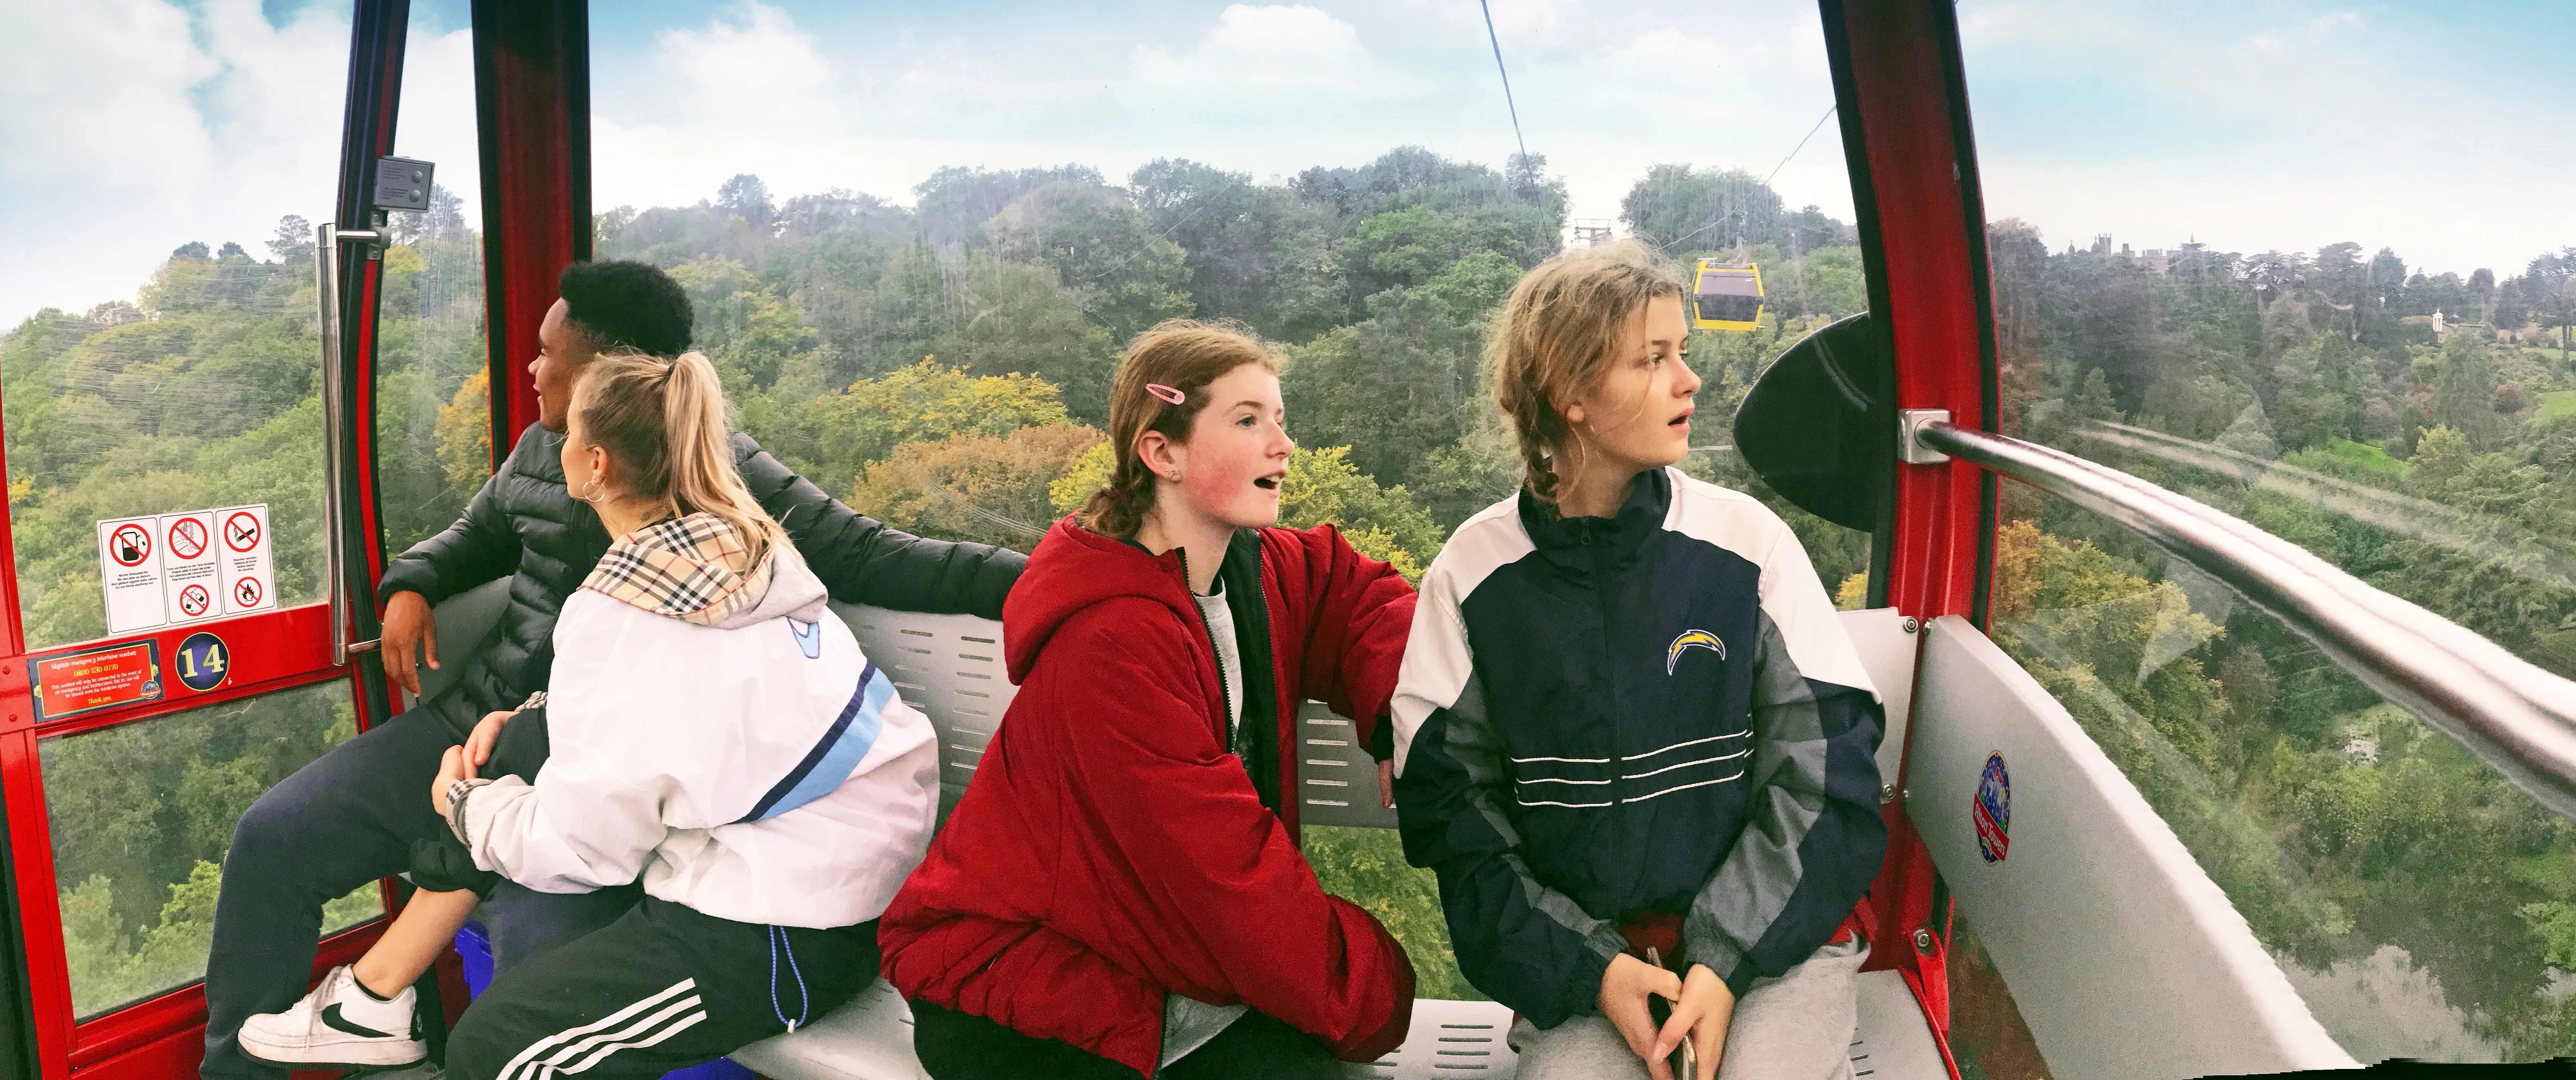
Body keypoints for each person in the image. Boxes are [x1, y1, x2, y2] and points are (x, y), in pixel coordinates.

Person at [207, 260, 1023, 1079]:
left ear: (606, 381)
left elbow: (883, 558)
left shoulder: (716, 483)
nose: (530, 369)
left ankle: (381, 1000)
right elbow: (474, 535)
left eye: (546, 351)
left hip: (602, 779)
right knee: (273, 838)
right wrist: (412, 582)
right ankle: (248, 1065)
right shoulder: (535, 455)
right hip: (489, 721)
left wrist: (1062, 577)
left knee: (532, 968)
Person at [1392, 241, 1889, 1080]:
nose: (1688, 381)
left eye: (1681, 353)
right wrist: (1594, 970)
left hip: (1771, 945)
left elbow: (1828, 771)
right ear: (1572, 396)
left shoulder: (1742, 547)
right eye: (1653, 359)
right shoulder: (1476, 577)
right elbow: (1454, 818)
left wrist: (1724, 960)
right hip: (1595, 967)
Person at [879, 320, 1419, 1080]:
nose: (1282, 444)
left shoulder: (1252, 571)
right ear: (1161, 452)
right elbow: (1226, 879)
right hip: (1024, 977)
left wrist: (1405, 717)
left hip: (1150, 949)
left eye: (1279, 418)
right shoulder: (1111, 643)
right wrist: (1381, 992)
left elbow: (1360, 598)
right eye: (1246, 420)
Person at [414, 347, 937, 1080]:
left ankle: (379, 993)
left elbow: (584, 851)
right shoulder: (747, 554)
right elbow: (695, 703)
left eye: (566, 437)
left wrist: (465, 805)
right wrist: (543, 714)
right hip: (855, 875)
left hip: (782, 927)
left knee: (499, 1051)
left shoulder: (622, 611)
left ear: (594, 465)